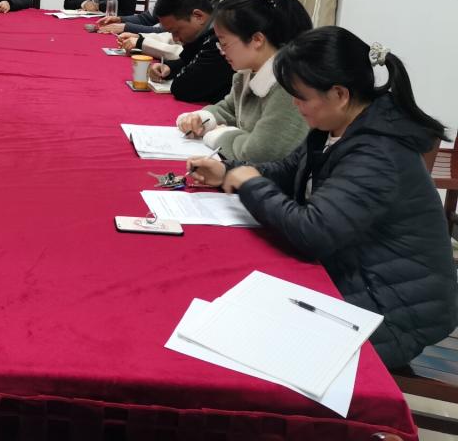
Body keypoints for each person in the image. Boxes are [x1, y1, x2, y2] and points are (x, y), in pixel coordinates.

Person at [186, 27, 458, 369]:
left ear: (339, 94)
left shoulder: (377, 153)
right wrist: (228, 171)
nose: (295, 105)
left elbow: (313, 232)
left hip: (393, 308)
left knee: (247, 343)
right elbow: (289, 170)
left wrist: (250, 185)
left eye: (300, 97)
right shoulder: (338, 127)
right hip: (355, 274)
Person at [176, 0, 312, 162]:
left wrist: (218, 135)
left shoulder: (287, 85)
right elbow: (228, 109)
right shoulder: (247, 74)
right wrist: (202, 119)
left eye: (224, 43)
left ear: (257, 39)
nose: (221, 51)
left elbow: (260, 153)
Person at [144, 0, 233, 103]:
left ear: (198, 16)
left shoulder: (219, 41)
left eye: (176, 31)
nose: (175, 38)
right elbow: (192, 61)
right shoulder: (210, 29)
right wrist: (169, 67)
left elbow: (182, 89)